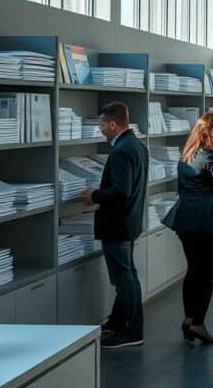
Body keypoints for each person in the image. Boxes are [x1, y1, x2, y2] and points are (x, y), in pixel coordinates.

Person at [163, 112, 213, 345]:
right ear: (212, 133)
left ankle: (189, 321)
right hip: (206, 223)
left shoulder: (187, 154)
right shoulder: (211, 157)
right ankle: (198, 323)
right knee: (207, 272)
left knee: (194, 270)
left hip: (185, 221)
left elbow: (191, 187)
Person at [81, 101, 148, 348]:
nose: (100, 129)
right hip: (129, 222)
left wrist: (94, 196)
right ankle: (118, 323)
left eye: (101, 124)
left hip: (118, 224)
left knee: (124, 278)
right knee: (127, 275)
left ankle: (132, 331)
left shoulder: (121, 150)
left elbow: (121, 191)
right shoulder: (137, 145)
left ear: (112, 123)